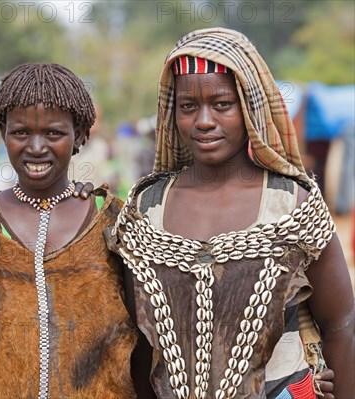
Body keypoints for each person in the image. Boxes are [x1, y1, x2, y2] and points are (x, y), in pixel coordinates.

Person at [110, 28, 353, 399]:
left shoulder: (292, 204)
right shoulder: (146, 209)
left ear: (250, 108)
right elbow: (137, 342)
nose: (204, 121)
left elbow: (341, 323)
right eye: (188, 107)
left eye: (222, 104)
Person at [0, 63, 137, 398]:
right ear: (3, 133)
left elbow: (141, 336)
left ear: (81, 135)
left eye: (54, 133)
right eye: (21, 133)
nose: (36, 147)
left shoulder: (112, 220)